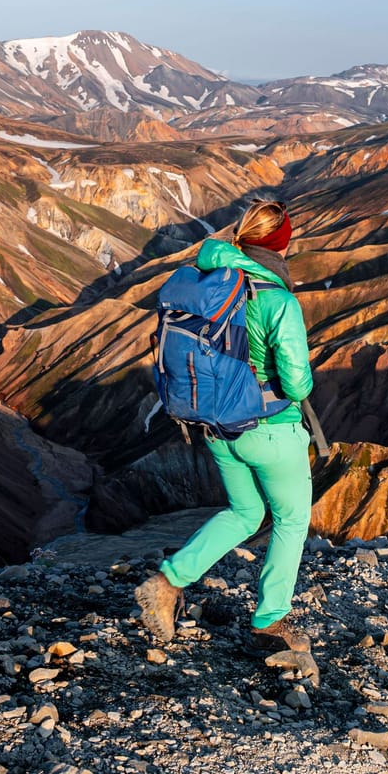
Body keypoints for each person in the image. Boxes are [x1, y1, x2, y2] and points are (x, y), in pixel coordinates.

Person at [136, 199, 318, 654]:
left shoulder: (209, 280)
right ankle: (270, 620)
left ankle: (167, 582)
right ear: (281, 242)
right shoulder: (276, 298)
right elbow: (296, 383)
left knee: (244, 513)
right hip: (270, 429)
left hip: (215, 426)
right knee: (292, 520)